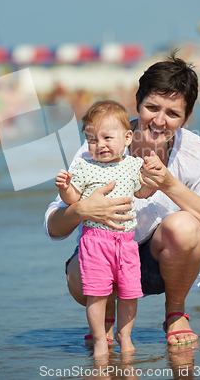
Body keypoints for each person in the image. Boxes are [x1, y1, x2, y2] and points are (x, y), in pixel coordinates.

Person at [44, 53, 200, 347]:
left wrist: (171, 185)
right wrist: (81, 209)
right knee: (76, 275)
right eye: (152, 107)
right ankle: (106, 318)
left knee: (185, 226)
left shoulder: (195, 151)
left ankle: (175, 313)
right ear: (137, 102)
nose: (159, 120)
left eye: (173, 114)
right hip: (104, 259)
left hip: (161, 263)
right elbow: (54, 227)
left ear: (187, 116)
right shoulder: (102, 144)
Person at [55, 101, 159, 356]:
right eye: (91, 139)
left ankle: (125, 336)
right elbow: (73, 199)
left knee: (129, 292)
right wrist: (65, 188)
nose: (99, 144)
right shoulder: (83, 166)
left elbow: (142, 192)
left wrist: (153, 180)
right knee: (97, 294)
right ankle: (101, 339)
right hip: (95, 242)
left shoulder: (133, 165)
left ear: (126, 139)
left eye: (106, 137)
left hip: (126, 243)